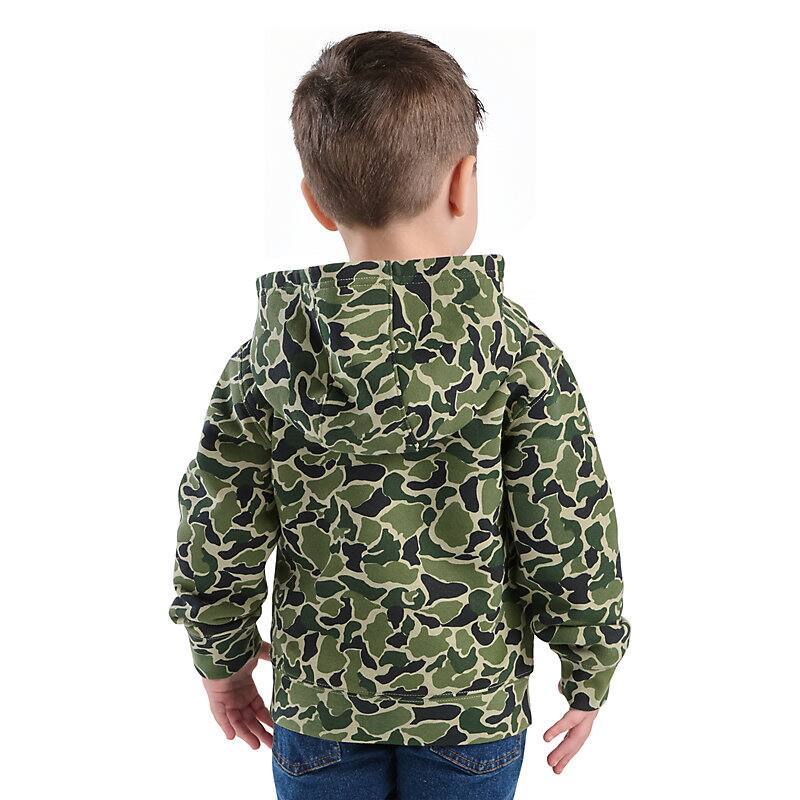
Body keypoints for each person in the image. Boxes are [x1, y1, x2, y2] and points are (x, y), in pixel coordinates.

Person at [169, 30, 630, 800]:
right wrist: (591, 666)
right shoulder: (519, 355)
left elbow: (217, 524)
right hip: (471, 714)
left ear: (315, 202)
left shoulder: (266, 362)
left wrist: (222, 661)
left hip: (322, 712)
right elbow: (568, 522)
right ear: (463, 183)